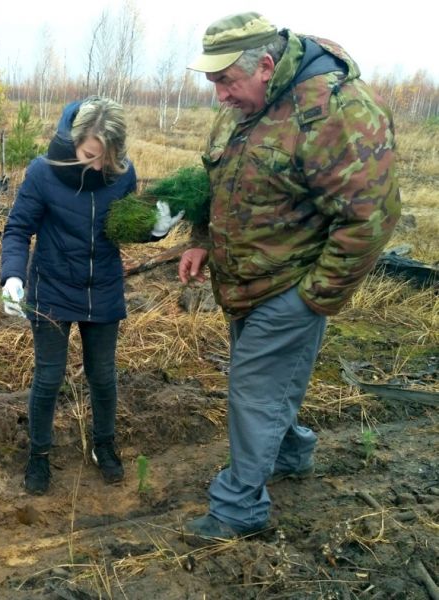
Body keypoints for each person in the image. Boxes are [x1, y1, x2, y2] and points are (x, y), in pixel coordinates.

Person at [177, 12, 400, 540]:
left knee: (252, 389)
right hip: (243, 284)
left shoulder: (336, 112)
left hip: (292, 285)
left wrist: (313, 298)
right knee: (273, 383)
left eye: (226, 82)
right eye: (213, 84)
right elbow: (222, 177)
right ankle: (291, 454)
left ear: (267, 66)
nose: (220, 97)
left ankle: (239, 509)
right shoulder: (245, 104)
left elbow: (371, 217)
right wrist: (202, 238)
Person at [0, 96, 182, 496]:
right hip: (51, 287)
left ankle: (104, 446)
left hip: (102, 289)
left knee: (102, 376)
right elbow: (17, 229)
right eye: (90, 155)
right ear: (75, 139)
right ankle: (39, 456)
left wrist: (155, 230)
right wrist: (12, 276)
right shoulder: (43, 172)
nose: (97, 166)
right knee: (49, 377)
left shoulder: (122, 174)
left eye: (107, 157)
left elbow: (122, 229)